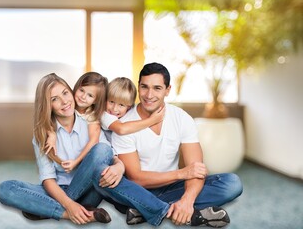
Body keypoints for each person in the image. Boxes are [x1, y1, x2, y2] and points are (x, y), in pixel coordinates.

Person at [111, 62, 243, 227]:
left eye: (157, 88)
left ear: (168, 90)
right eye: (144, 87)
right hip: (140, 190)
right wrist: (182, 174)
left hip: (173, 187)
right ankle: (188, 213)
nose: (149, 94)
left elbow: (195, 168)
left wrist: (188, 200)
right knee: (113, 186)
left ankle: (147, 210)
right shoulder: (125, 125)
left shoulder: (182, 118)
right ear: (138, 87)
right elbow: (136, 179)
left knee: (232, 183)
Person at [0, 73, 124, 225]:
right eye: (54, 99)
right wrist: (69, 206)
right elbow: (48, 179)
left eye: (65, 93)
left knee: (102, 149)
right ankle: (72, 213)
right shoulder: (43, 135)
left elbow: (105, 153)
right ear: (47, 105)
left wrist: (119, 166)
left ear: (71, 91)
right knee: (6, 189)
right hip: (57, 190)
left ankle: (44, 208)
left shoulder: (90, 122)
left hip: (88, 191)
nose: (64, 102)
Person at [45, 72, 108, 173]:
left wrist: (76, 162)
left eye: (90, 95)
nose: (83, 96)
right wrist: (51, 133)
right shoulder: (67, 105)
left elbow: (94, 141)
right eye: (81, 90)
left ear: (95, 101)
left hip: (98, 157)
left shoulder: (91, 115)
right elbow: (47, 117)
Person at [101, 77, 165, 143]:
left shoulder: (132, 110)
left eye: (121, 105)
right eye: (111, 102)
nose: (114, 109)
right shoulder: (104, 115)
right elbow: (121, 129)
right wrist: (152, 120)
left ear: (129, 107)